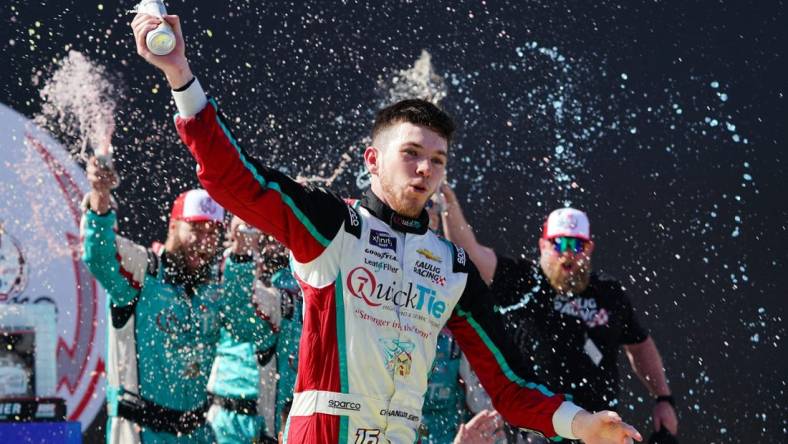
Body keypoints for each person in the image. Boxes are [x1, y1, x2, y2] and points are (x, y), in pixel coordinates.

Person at [131, 13, 643, 444]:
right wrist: (180, 74)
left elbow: (509, 386)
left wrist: (582, 425)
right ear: (373, 160)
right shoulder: (334, 225)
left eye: (437, 160)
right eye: (412, 154)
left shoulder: (451, 266)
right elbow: (235, 180)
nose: (425, 170)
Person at [439, 184, 679, 443]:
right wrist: (449, 206)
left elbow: (640, 345)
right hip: (539, 429)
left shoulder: (608, 293)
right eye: (559, 244)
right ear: (543, 245)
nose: (568, 254)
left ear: (589, 249)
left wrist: (663, 397)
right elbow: (470, 254)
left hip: (599, 428)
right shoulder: (523, 281)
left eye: (577, 246)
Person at [81, 157, 266, 443]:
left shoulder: (215, 288)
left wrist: (241, 255)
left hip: (198, 434)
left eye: (212, 234)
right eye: (195, 230)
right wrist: (100, 195)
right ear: (173, 227)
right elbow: (99, 255)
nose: (203, 242)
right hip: (140, 433)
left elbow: (244, 326)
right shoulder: (144, 271)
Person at [206, 216, 279, 444]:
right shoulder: (219, 275)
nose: (251, 236)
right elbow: (237, 306)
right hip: (224, 412)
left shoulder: (284, 286)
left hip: (265, 416)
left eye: (255, 229)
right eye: (245, 228)